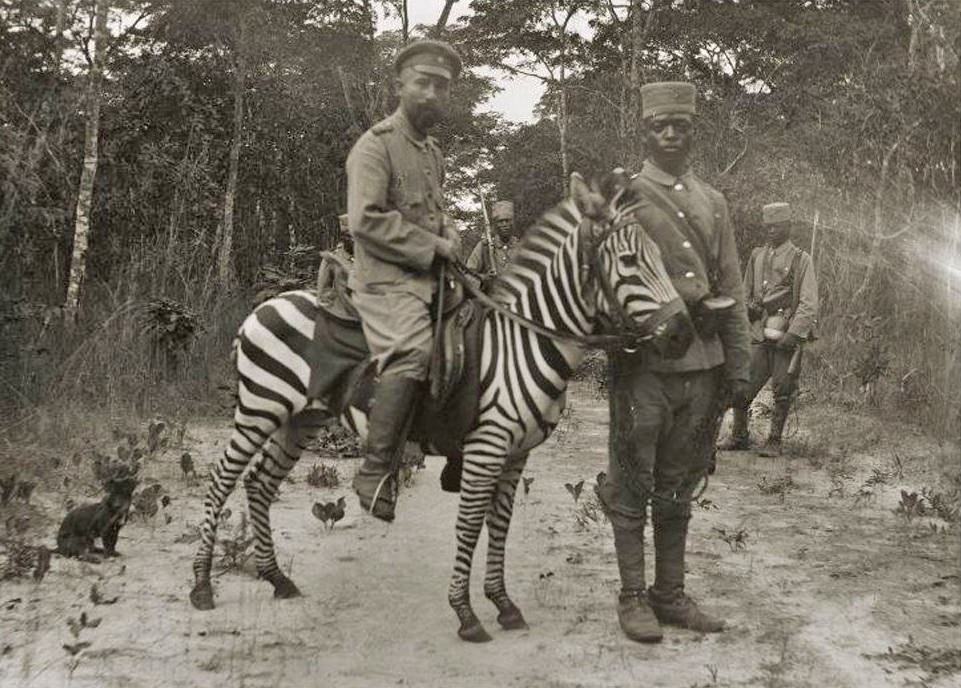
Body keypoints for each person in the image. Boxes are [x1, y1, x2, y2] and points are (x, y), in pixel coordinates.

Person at [595, 81, 752, 643]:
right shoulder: (624, 194)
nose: (669, 134)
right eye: (660, 125)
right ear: (645, 130)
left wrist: (739, 364)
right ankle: (633, 596)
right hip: (645, 365)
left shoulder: (713, 202)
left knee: (679, 484)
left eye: (679, 125)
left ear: (692, 132)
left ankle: (670, 594)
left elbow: (730, 283)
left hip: (703, 364)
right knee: (633, 480)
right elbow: (608, 278)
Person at [345, 40, 463, 522]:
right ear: (399, 86)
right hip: (387, 281)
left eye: (442, 86)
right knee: (413, 351)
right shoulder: (376, 145)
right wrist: (433, 246)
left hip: (432, 280)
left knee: (481, 334)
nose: (432, 93)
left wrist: (451, 231)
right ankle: (376, 469)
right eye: (423, 83)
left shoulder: (431, 151)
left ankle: (459, 448)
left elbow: (437, 212)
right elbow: (365, 220)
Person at [718, 202, 818, 456]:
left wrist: (793, 334)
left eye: (777, 226)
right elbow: (745, 291)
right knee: (741, 386)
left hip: (786, 332)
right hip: (758, 331)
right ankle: (740, 435)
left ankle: (774, 440)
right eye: (768, 226)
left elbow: (809, 303)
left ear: (789, 227)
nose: (772, 230)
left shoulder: (801, 259)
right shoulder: (757, 256)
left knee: (783, 388)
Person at [466, 200, 520, 289]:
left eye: (507, 221)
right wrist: (483, 278)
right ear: (495, 224)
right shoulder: (484, 247)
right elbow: (467, 275)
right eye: (500, 221)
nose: (504, 224)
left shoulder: (521, 247)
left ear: (513, 222)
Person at [317, 213, 354, 296]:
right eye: (348, 236)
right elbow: (323, 292)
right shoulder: (332, 259)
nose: (353, 240)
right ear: (343, 237)